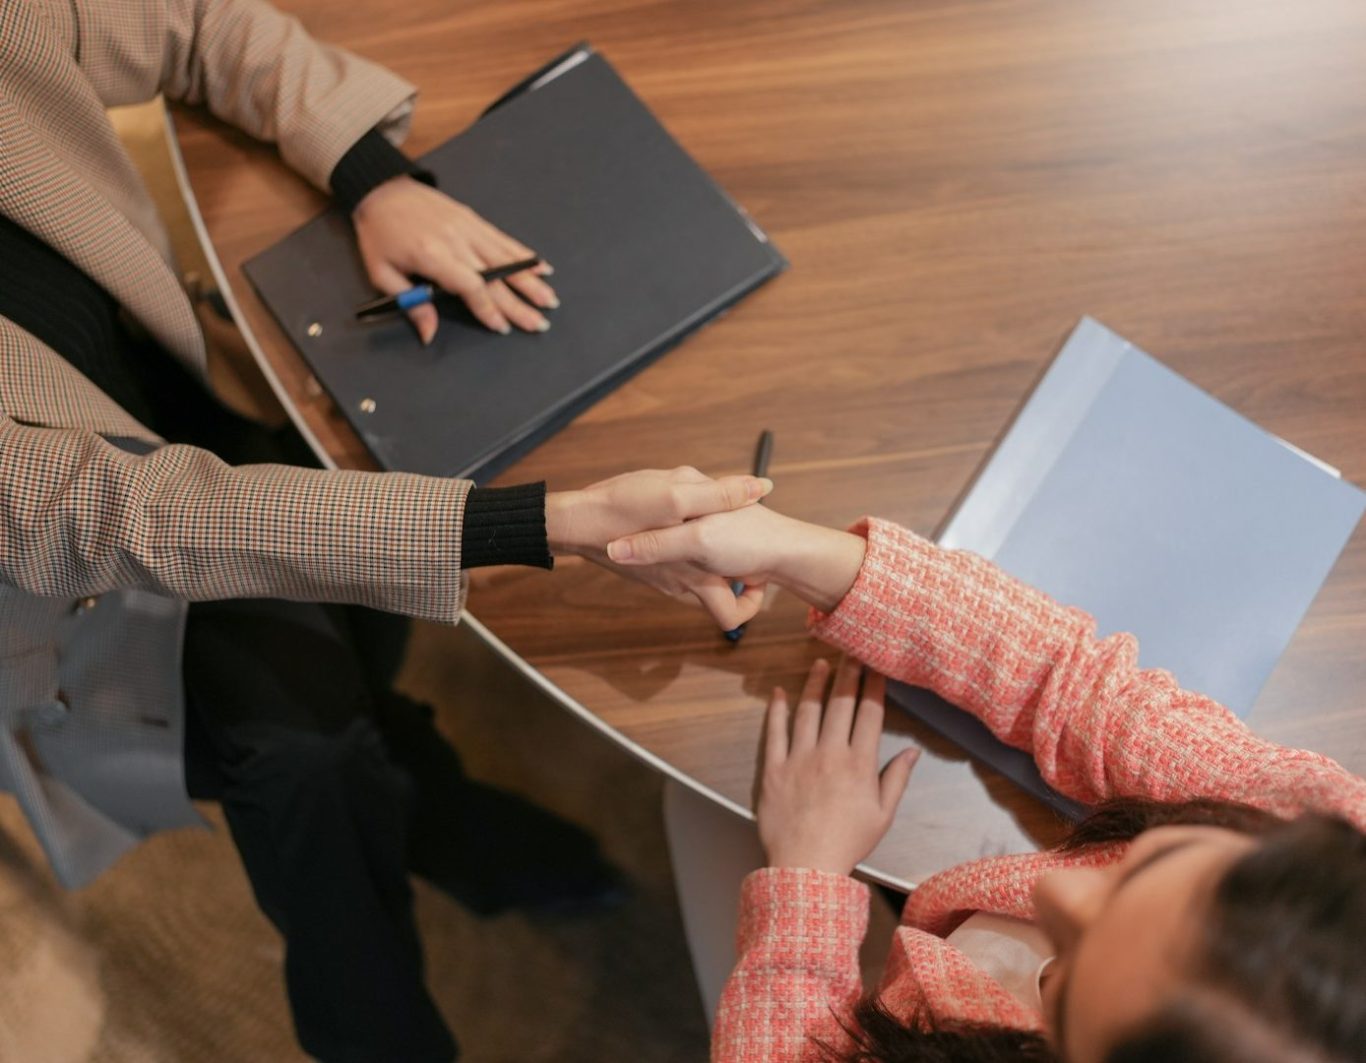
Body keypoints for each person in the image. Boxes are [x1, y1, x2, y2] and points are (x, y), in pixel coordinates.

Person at [0, 3, 768, 1061]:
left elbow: (188, 19)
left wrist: (375, 181)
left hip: (190, 407)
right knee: (308, 767)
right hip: (76, 606)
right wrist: (544, 522)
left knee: (354, 684)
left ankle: (451, 823)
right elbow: (131, 515)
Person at [606, 505, 1366, 1061]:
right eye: (1155, 859)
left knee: (694, 806)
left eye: (1064, 987)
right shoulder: (1328, 836)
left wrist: (807, 869)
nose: (1055, 892)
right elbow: (1074, 687)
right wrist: (803, 552)